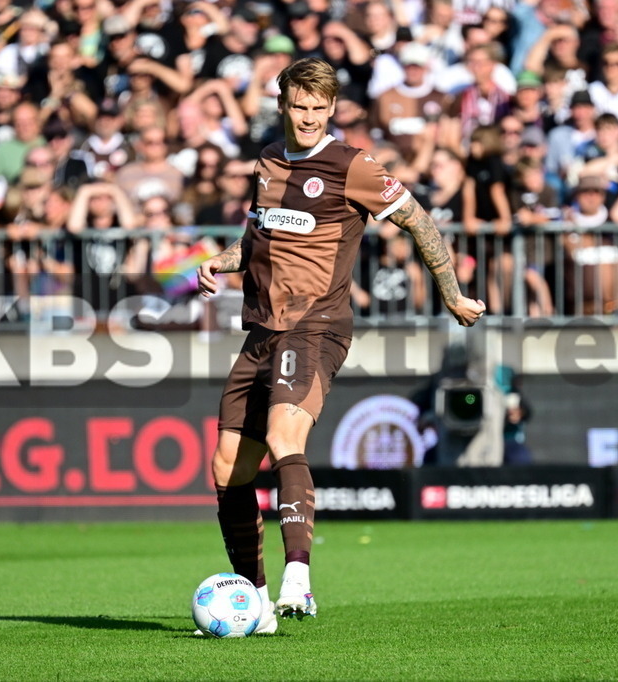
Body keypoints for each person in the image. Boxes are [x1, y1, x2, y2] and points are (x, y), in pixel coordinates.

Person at [195, 58, 485, 632]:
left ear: (331, 109)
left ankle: (297, 579)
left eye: (317, 108)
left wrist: (452, 294)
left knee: (284, 435)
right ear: (283, 105)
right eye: (298, 106)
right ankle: (254, 602)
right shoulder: (269, 161)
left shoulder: (353, 167)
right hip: (261, 328)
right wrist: (221, 264)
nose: (307, 117)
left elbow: (421, 223)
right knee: (227, 466)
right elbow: (258, 234)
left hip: (316, 325)